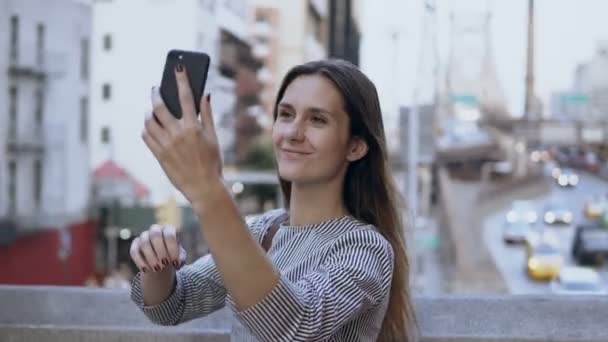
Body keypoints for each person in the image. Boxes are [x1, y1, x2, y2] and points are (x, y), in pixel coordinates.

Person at [129, 59, 416, 341]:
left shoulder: (365, 248)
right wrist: (156, 265)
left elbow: (295, 326)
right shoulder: (264, 231)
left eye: (317, 120)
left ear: (355, 146)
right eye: (286, 114)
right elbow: (174, 304)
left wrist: (208, 190)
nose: (292, 133)